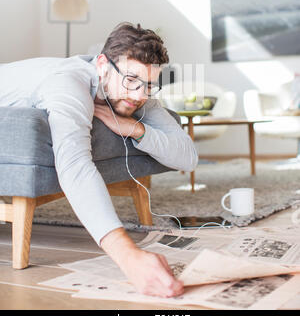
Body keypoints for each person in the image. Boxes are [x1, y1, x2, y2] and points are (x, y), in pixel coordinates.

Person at [0, 22, 198, 298]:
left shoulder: (139, 94)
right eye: (131, 80)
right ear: (103, 64)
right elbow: (75, 165)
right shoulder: (69, 84)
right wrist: (129, 257)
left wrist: (136, 130)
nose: (140, 95)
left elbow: (188, 157)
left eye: (149, 85)